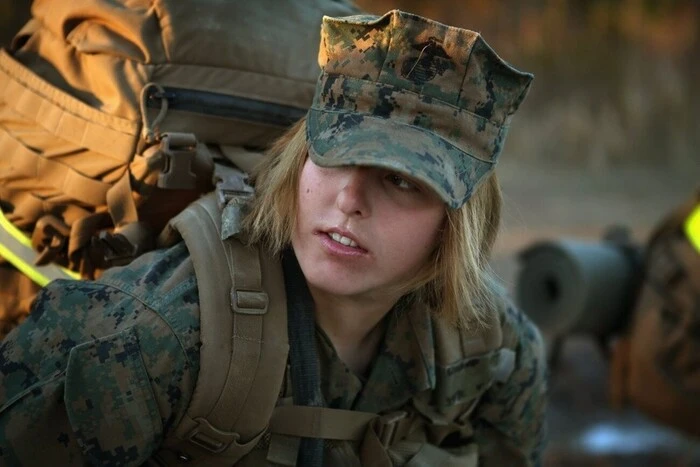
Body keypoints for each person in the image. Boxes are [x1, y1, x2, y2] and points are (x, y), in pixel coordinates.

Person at [0, 9, 547, 467]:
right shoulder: (146, 335)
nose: (349, 199)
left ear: (456, 225)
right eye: (332, 157)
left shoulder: (491, 347)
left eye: (400, 180)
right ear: (297, 161)